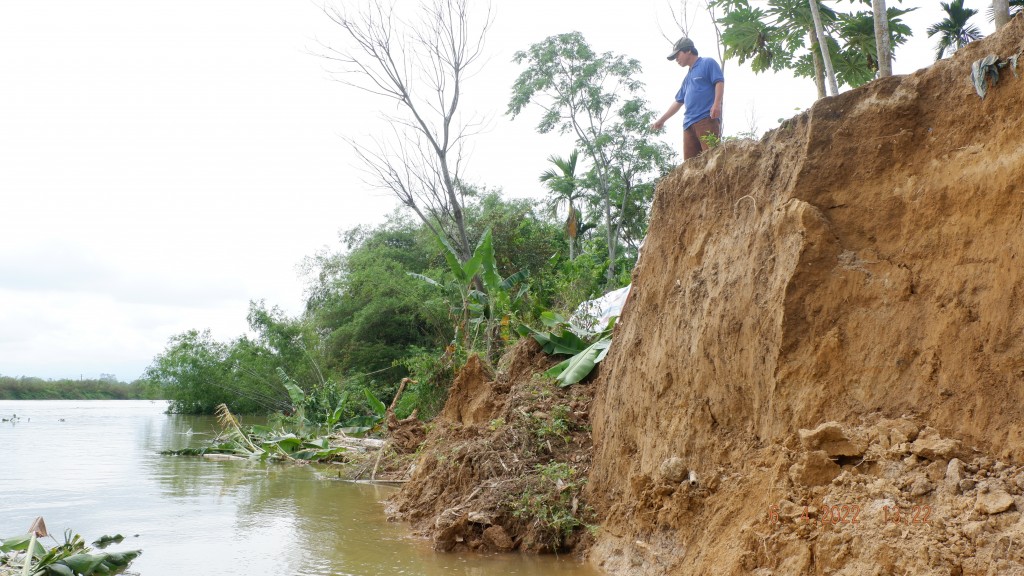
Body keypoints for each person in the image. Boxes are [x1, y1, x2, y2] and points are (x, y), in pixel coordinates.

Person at [651, 37, 724, 160]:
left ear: (688, 51)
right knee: (690, 166)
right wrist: (661, 120)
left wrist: (716, 104)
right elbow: (678, 101)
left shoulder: (707, 63)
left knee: (711, 158)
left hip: (706, 118)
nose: (676, 59)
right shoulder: (687, 78)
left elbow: (719, 82)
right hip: (688, 124)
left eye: (678, 55)